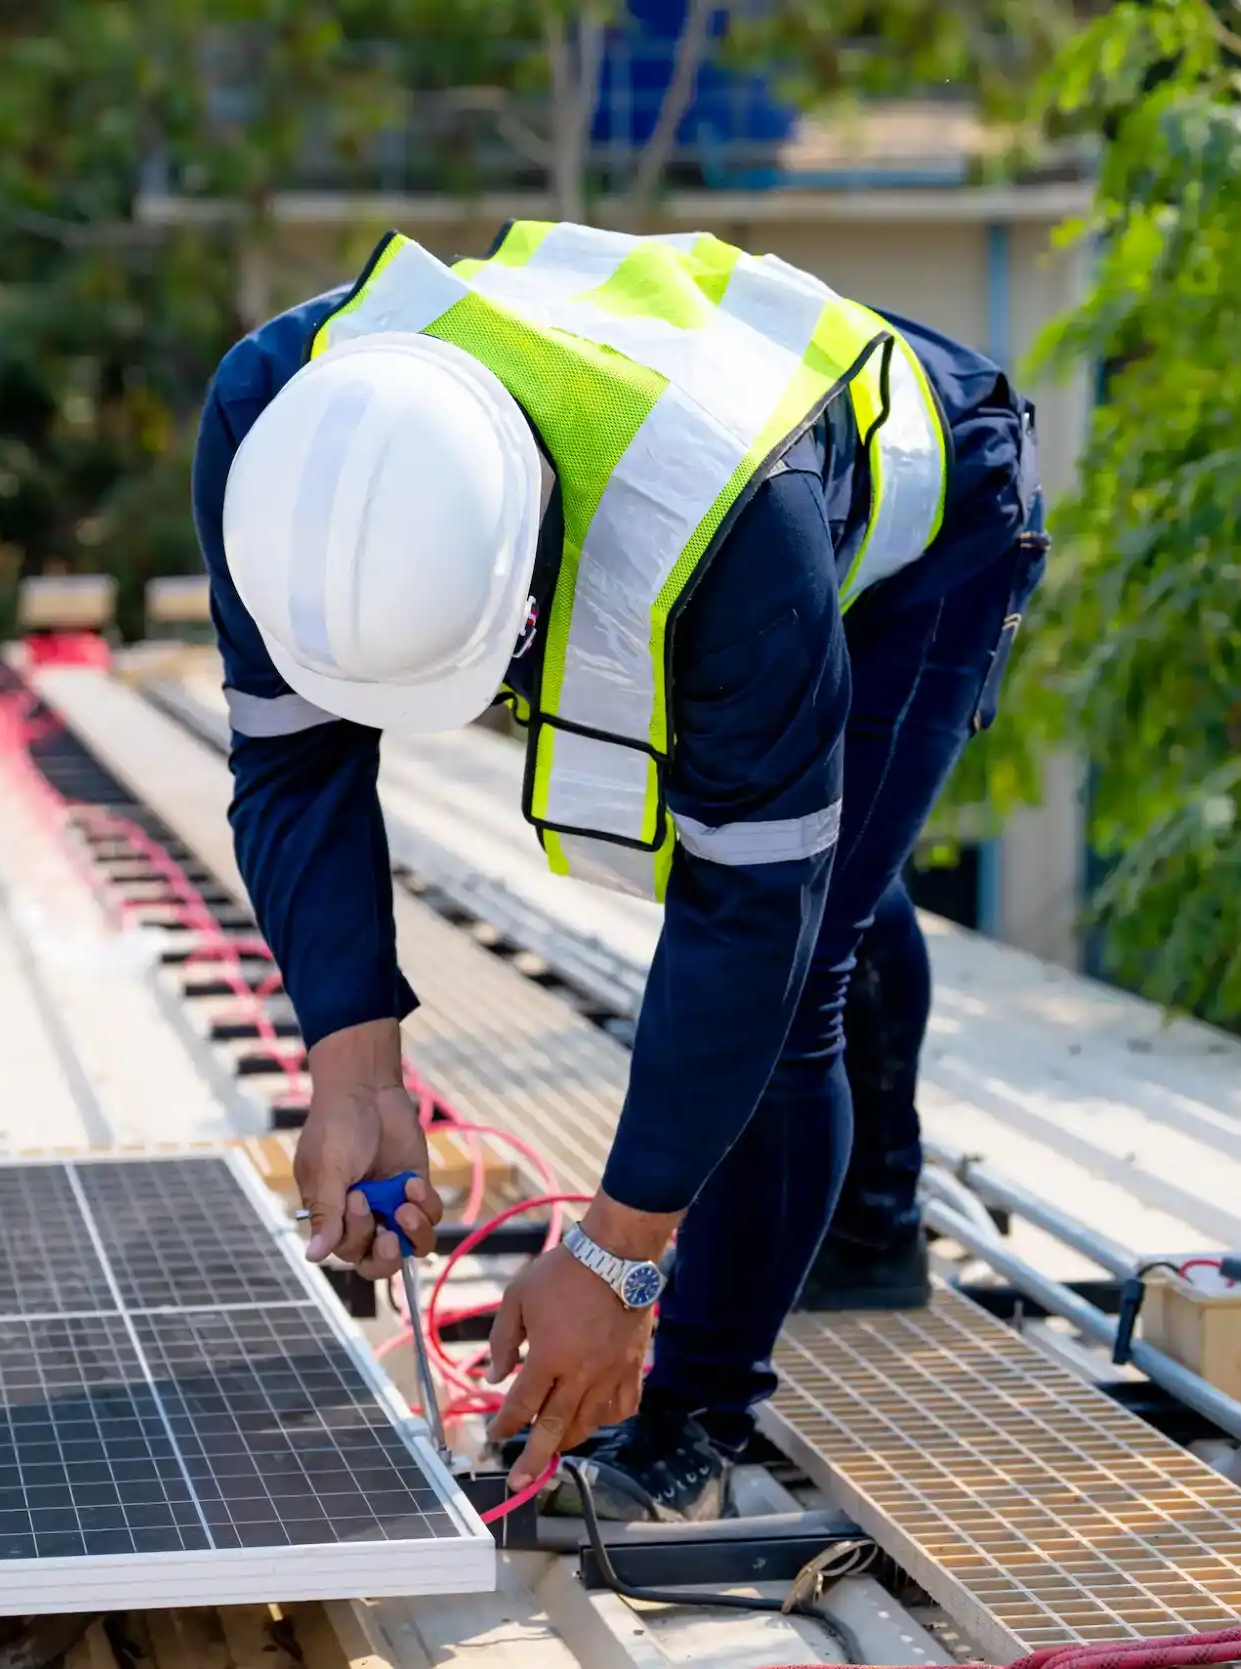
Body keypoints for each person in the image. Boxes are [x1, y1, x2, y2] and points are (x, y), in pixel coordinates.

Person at [191, 221, 1047, 1521]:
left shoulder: (730, 544)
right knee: (837, 869)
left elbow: (746, 925)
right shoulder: (271, 419)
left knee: (812, 948)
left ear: (521, 592)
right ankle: (863, 1224)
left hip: (927, 507)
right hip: (741, 446)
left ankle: (696, 1412)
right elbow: (292, 765)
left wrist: (620, 1257)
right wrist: (353, 1072)